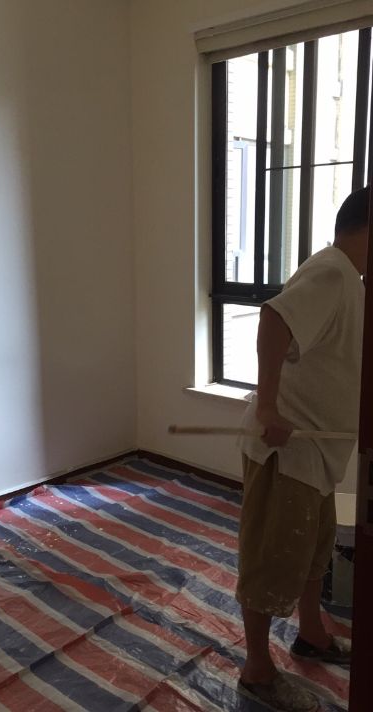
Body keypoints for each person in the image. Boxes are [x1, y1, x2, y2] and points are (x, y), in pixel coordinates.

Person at [236, 186, 370, 712]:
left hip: (315, 456)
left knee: (313, 555)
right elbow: (274, 319)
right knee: (271, 563)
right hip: (286, 452)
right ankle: (257, 670)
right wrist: (268, 407)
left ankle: (311, 634)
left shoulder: (350, 280)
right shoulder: (333, 272)